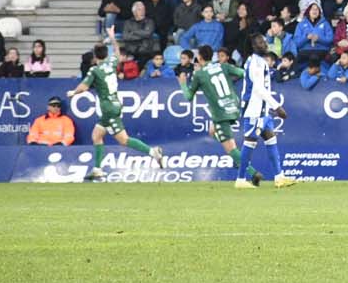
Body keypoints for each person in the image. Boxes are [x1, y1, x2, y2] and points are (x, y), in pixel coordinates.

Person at [68, 28, 165, 181]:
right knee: (97, 135)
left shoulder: (95, 70)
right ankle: (98, 169)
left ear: (95, 57)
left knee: (123, 140)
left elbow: (84, 87)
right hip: (115, 103)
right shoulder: (112, 63)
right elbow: (118, 54)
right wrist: (113, 37)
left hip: (108, 108)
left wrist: (73, 92)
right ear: (106, 54)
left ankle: (153, 152)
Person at [178, 44, 254, 189]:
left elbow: (188, 96)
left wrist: (182, 84)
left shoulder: (199, 74)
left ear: (199, 58)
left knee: (230, 148)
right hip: (233, 106)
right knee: (212, 132)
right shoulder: (223, 66)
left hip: (221, 112)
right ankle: (238, 157)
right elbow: (243, 73)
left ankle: (251, 171)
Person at [240, 35, 296, 189]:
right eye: (259, 42)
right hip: (254, 108)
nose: (263, 44)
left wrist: (269, 107)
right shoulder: (256, 63)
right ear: (253, 46)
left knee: (270, 137)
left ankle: (279, 177)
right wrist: (277, 106)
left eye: (263, 41)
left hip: (262, 109)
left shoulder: (259, 61)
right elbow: (258, 89)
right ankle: (240, 179)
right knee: (249, 142)